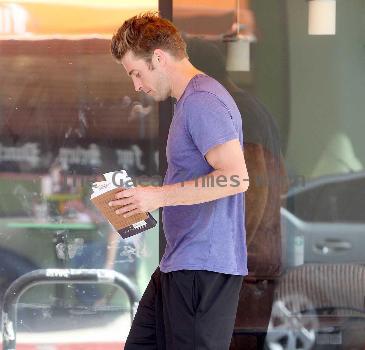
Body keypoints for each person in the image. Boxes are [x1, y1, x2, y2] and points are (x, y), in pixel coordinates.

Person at [109, 11, 250, 349]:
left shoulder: (203, 101)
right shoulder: (190, 102)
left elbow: (234, 178)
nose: (137, 85)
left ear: (158, 57)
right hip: (181, 261)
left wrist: (156, 198)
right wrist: (144, 199)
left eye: (137, 73)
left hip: (202, 268)